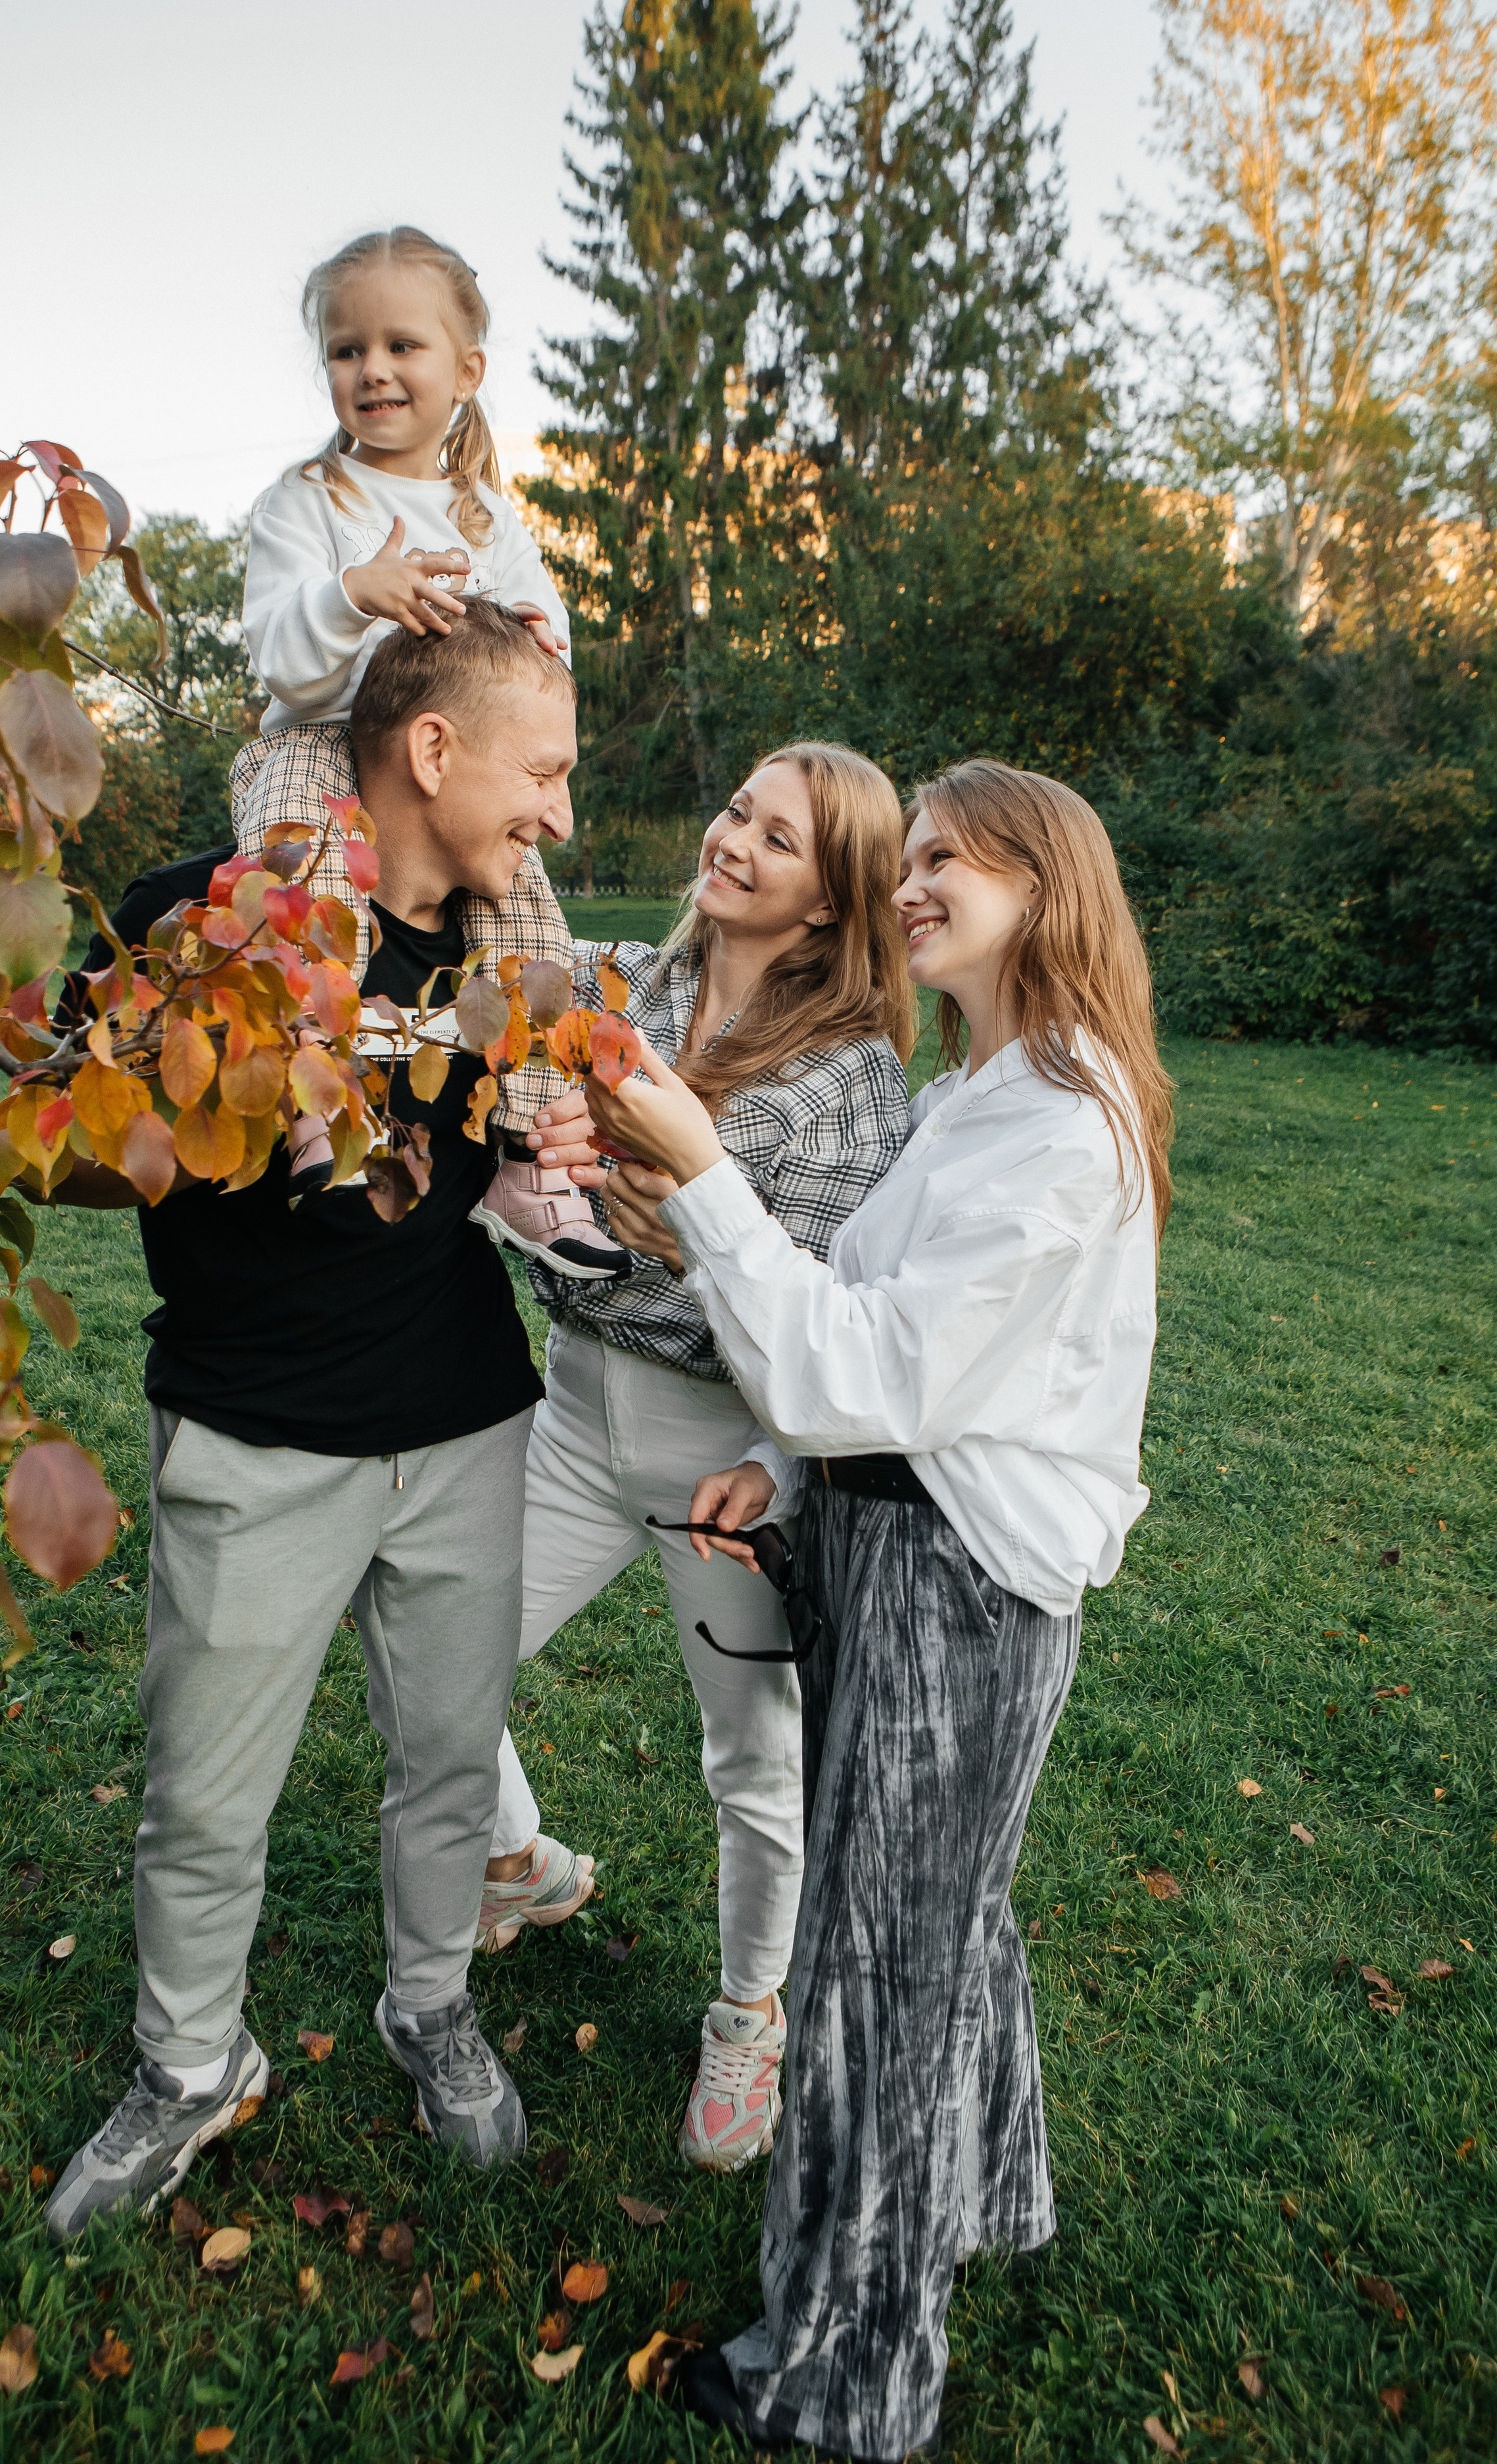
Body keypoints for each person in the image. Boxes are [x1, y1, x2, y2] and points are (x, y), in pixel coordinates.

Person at [581, 758, 1172, 2462]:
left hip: (963, 1587)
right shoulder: (985, 1088)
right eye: (909, 857)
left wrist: (697, 1175)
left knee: (875, 1981)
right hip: (878, 1541)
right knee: (947, 1927)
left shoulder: (1064, 1127)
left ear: (1048, 884)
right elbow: (852, 1308)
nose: (916, 881)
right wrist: (774, 1463)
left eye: (957, 859)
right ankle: (989, 2200)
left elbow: (873, 1367)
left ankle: (842, 2381)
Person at [43, 605, 607, 2243]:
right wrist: (209, 1098)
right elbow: (62, 1145)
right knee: (205, 1801)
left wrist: (530, 1155)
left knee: (447, 1766)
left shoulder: (504, 963)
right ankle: (185, 2068)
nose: (561, 818)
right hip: (253, 1432)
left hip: (461, 1424)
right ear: (430, 751)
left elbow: (517, 1157)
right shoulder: (208, 920)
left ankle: (430, 2008)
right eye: (546, 773)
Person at [476, 744, 915, 2177]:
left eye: (773, 840)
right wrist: (518, 1162)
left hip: (726, 1441)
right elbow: (501, 1064)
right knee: (430, 1654)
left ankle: (747, 2017)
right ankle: (521, 1862)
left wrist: (625, 1234)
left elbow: (818, 1302)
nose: (730, 843)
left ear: (829, 899)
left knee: (752, 1756)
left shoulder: (847, 1083)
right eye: (733, 811)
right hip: (571, 1403)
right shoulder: (631, 987)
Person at [234, 221, 623, 1278]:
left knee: (533, 928)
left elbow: (542, 647)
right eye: (347, 349)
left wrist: (526, 639)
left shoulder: (487, 516)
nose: (373, 370)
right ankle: (323, 1101)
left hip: (443, 768)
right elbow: (277, 653)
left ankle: (528, 1158)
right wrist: (356, 593)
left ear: (466, 371)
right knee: (315, 897)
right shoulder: (308, 505)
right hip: (321, 750)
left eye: (402, 346)